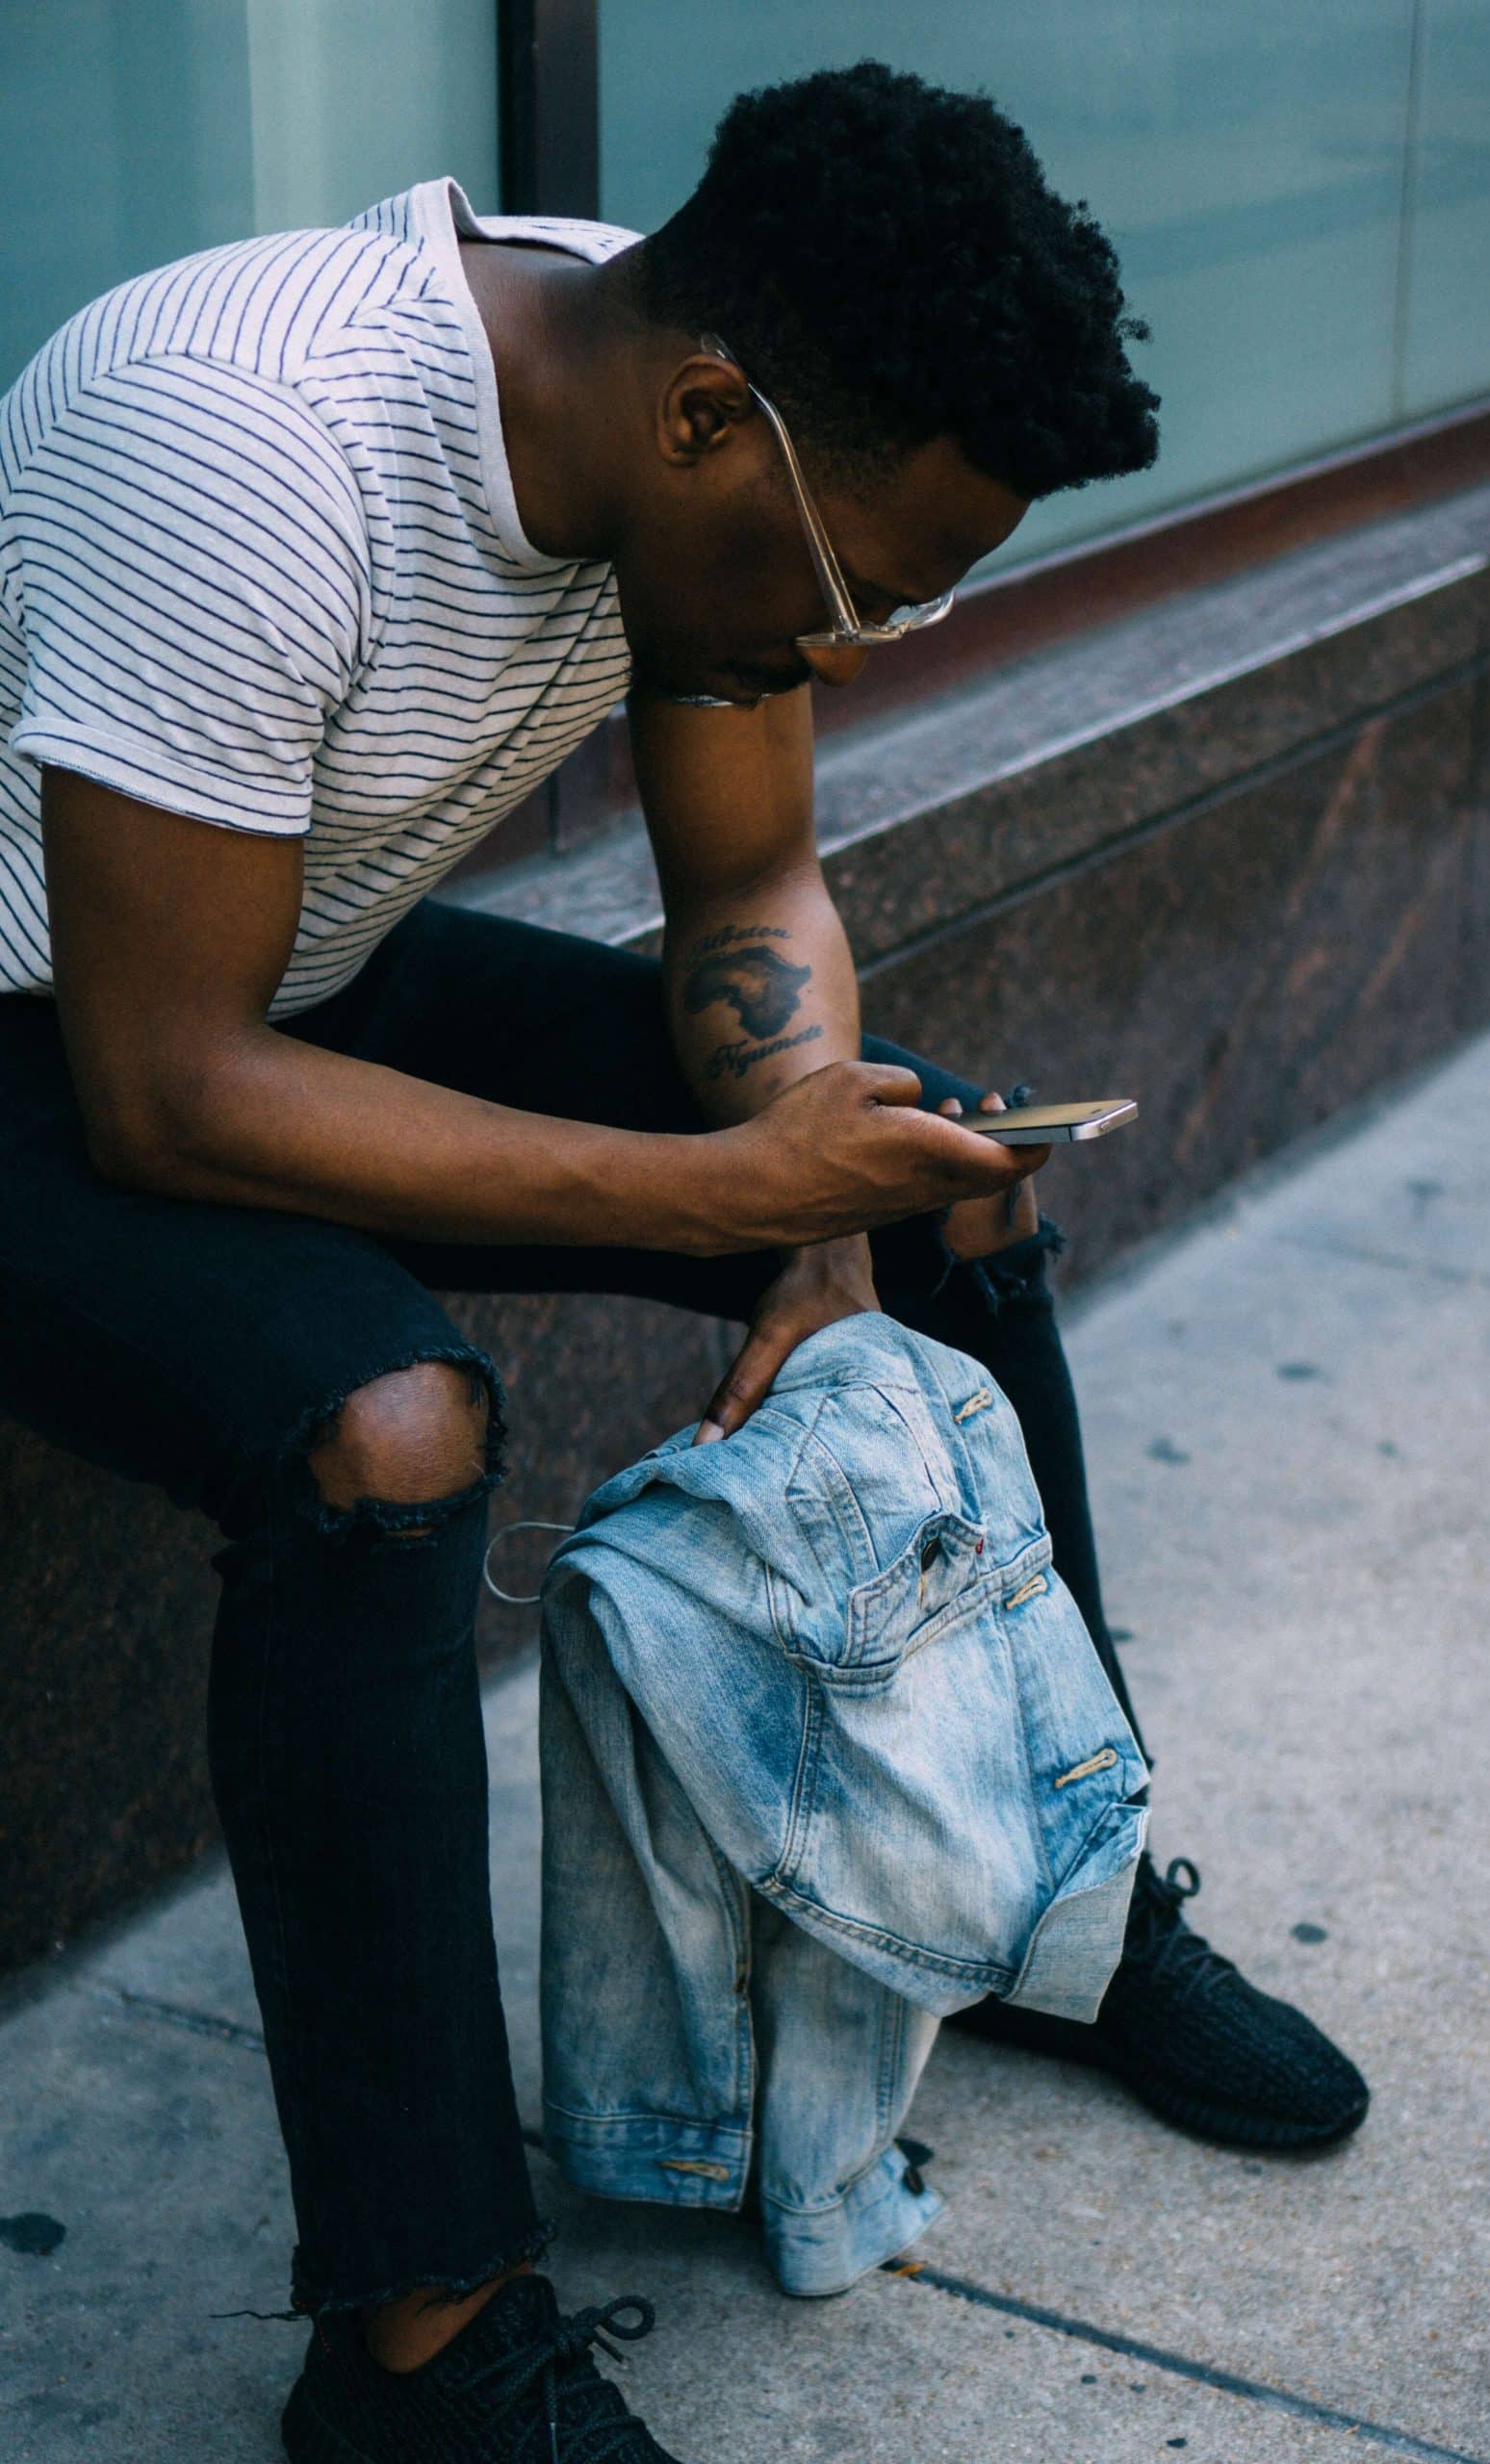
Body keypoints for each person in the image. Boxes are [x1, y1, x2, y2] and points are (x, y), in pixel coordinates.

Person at [0, 61, 1367, 2464]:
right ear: (715, 420)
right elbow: (166, 1091)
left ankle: (1050, 1881)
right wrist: (717, 1200)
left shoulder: (693, 413)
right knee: (384, 1429)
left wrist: (813, 1192)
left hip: (278, 963)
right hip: (70, 1032)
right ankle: (414, 2336)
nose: (864, 651)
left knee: (941, 1157)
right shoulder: (249, 435)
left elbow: (747, 897)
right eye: (869, 591)